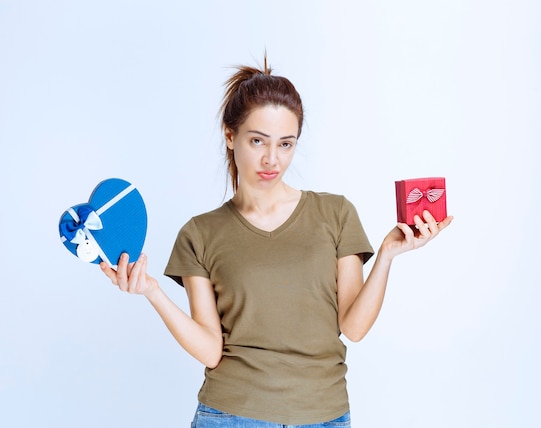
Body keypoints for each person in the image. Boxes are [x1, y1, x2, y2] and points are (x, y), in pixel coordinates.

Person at [101, 59, 453, 427]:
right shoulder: (200, 234)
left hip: (324, 415)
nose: (272, 159)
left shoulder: (335, 214)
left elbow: (354, 328)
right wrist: (153, 293)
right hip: (232, 414)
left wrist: (386, 256)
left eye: (286, 144)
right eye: (258, 141)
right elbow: (210, 350)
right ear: (230, 136)